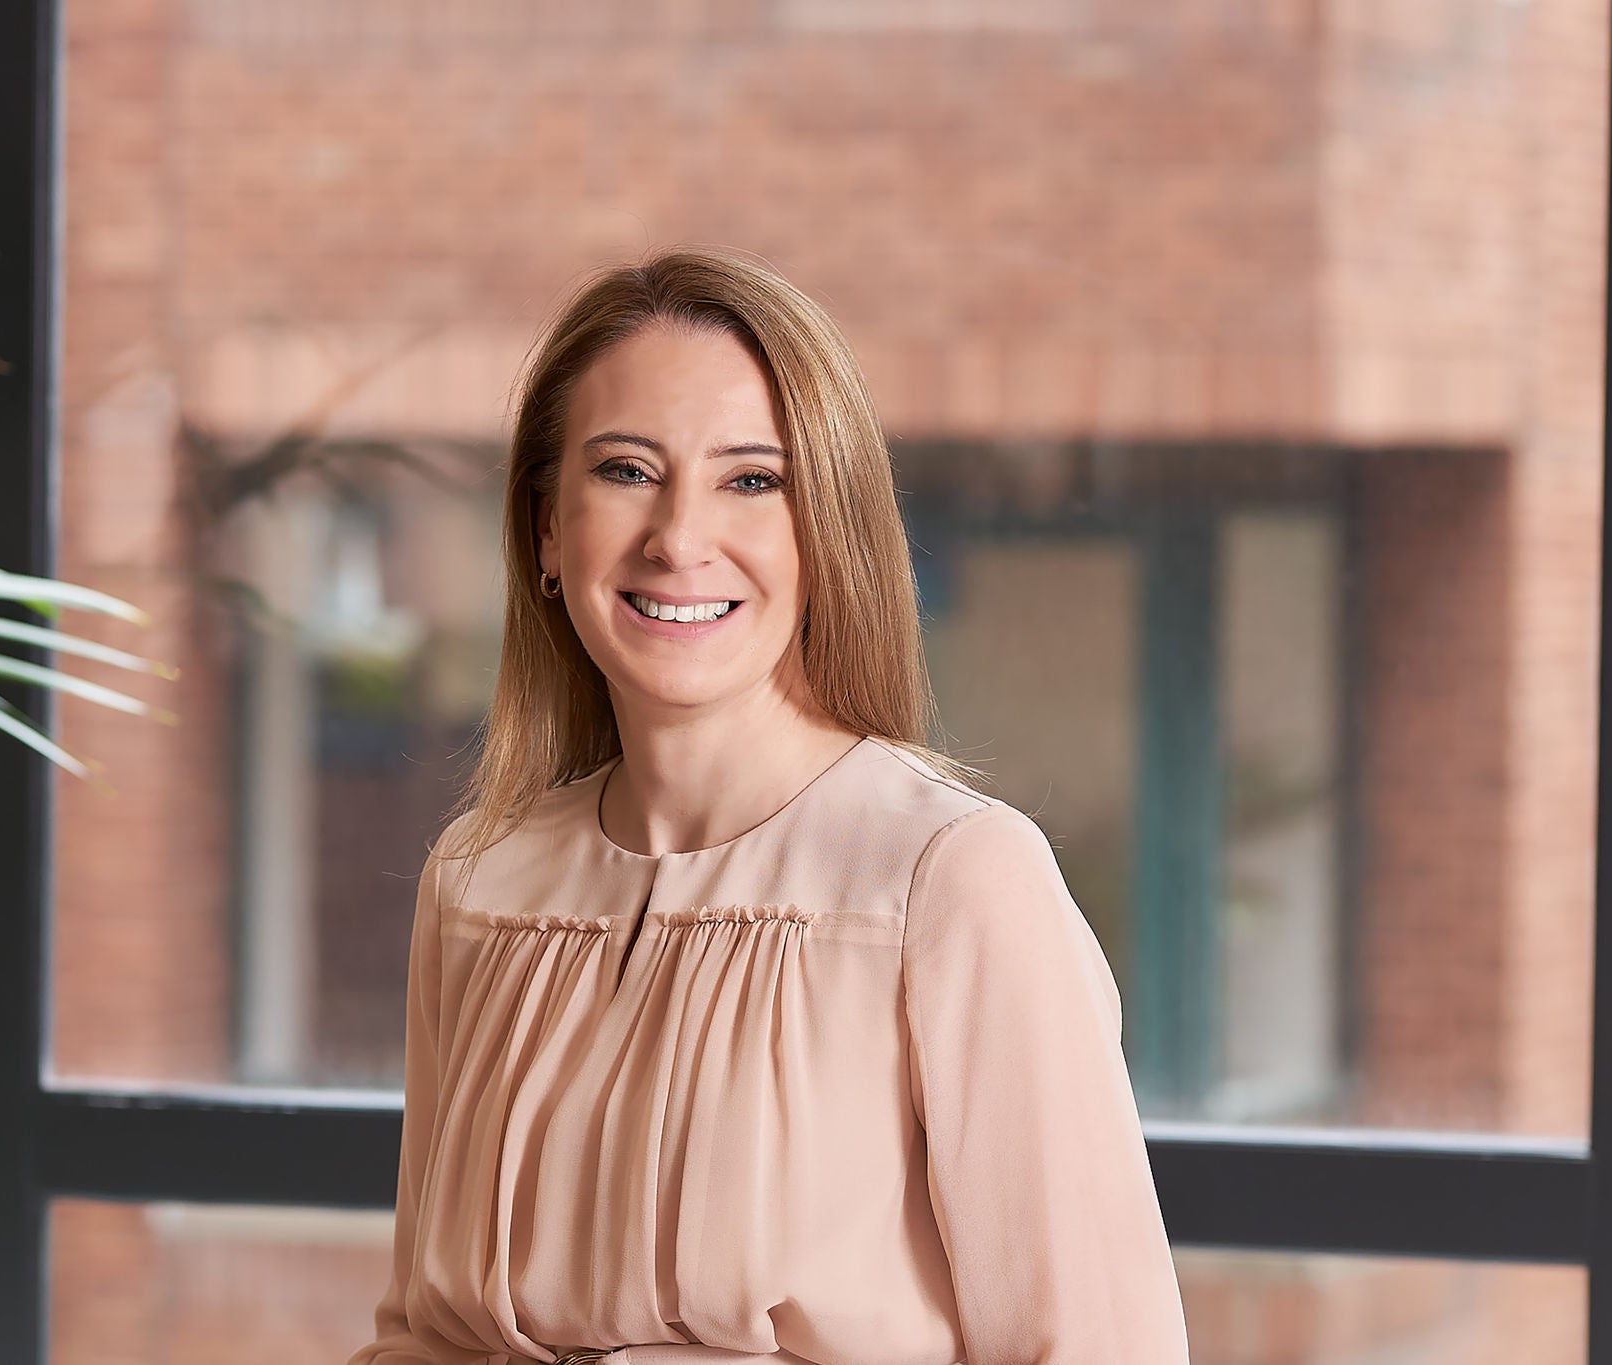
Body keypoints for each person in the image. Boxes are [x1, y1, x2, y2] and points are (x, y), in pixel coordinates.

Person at [345, 246, 1189, 1365]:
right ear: (545, 528)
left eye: (750, 480)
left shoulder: (951, 879)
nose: (678, 538)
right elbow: (421, 1338)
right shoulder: (479, 878)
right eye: (626, 471)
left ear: (822, 530)